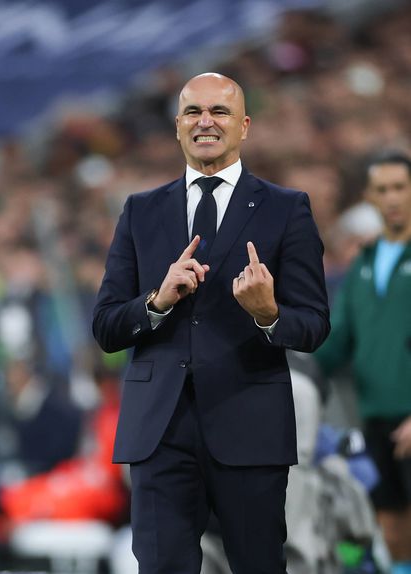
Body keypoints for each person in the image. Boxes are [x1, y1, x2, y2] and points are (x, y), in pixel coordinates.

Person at [92, 72, 330, 573]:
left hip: (250, 425)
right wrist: (156, 300)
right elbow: (106, 327)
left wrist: (269, 313)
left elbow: (313, 325)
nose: (205, 122)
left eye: (219, 112)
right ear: (177, 126)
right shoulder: (140, 211)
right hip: (159, 432)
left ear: (244, 126)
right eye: (193, 112)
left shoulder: (287, 209)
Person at [314, 150, 411, 574]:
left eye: (400, 187)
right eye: (382, 190)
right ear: (370, 198)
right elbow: (337, 343)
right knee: (389, 528)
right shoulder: (363, 265)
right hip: (377, 418)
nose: (392, 198)